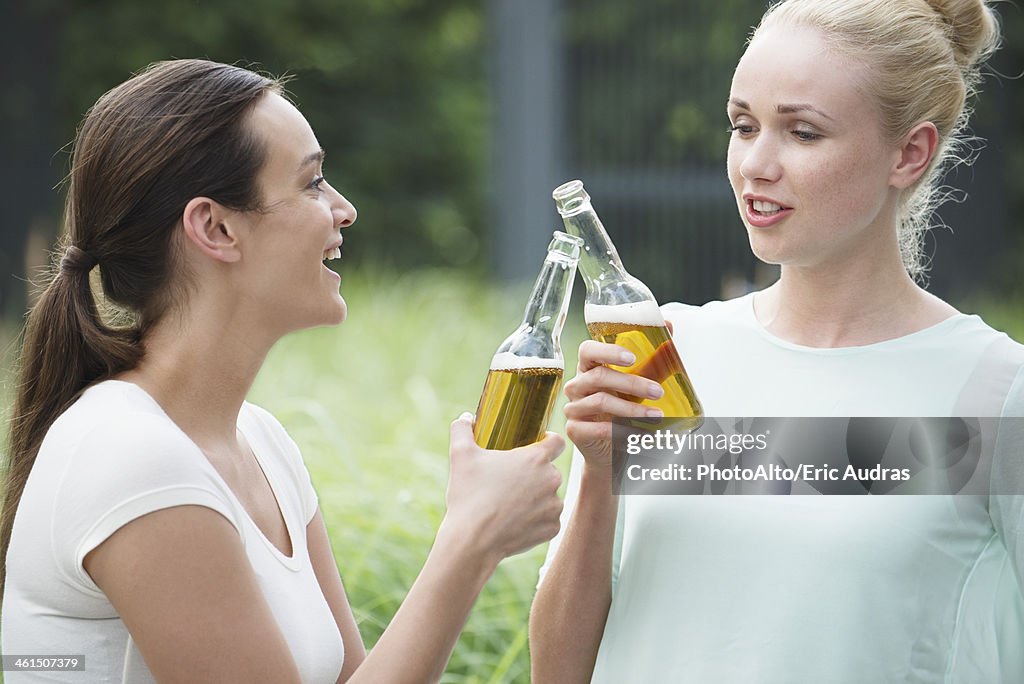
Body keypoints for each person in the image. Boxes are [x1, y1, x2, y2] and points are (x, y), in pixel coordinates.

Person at [0, 59, 565, 683]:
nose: (343, 210)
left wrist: (589, 464)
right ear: (215, 228)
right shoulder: (134, 458)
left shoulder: (262, 443)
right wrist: (471, 541)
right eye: (312, 183)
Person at [530, 0, 1024, 681]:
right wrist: (597, 474)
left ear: (909, 153)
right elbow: (559, 671)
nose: (756, 164)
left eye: (803, 133)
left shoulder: (996, 393)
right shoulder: (668, 353)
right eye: (743, 125)